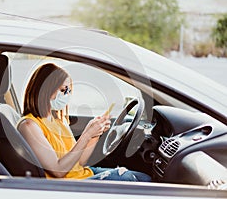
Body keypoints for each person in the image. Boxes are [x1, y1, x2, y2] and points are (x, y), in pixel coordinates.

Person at [17, 63, 151, 182]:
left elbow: (80, 162)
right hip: (69, 185)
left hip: (83, 174)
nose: (67, 95)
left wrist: (94, 134)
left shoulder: (57, 120)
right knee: (128, 178)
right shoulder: (30, 126)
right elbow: (58, 171)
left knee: (146, 178)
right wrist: (86, 135)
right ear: (45, 90)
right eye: (63, 90)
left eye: (69, 90)